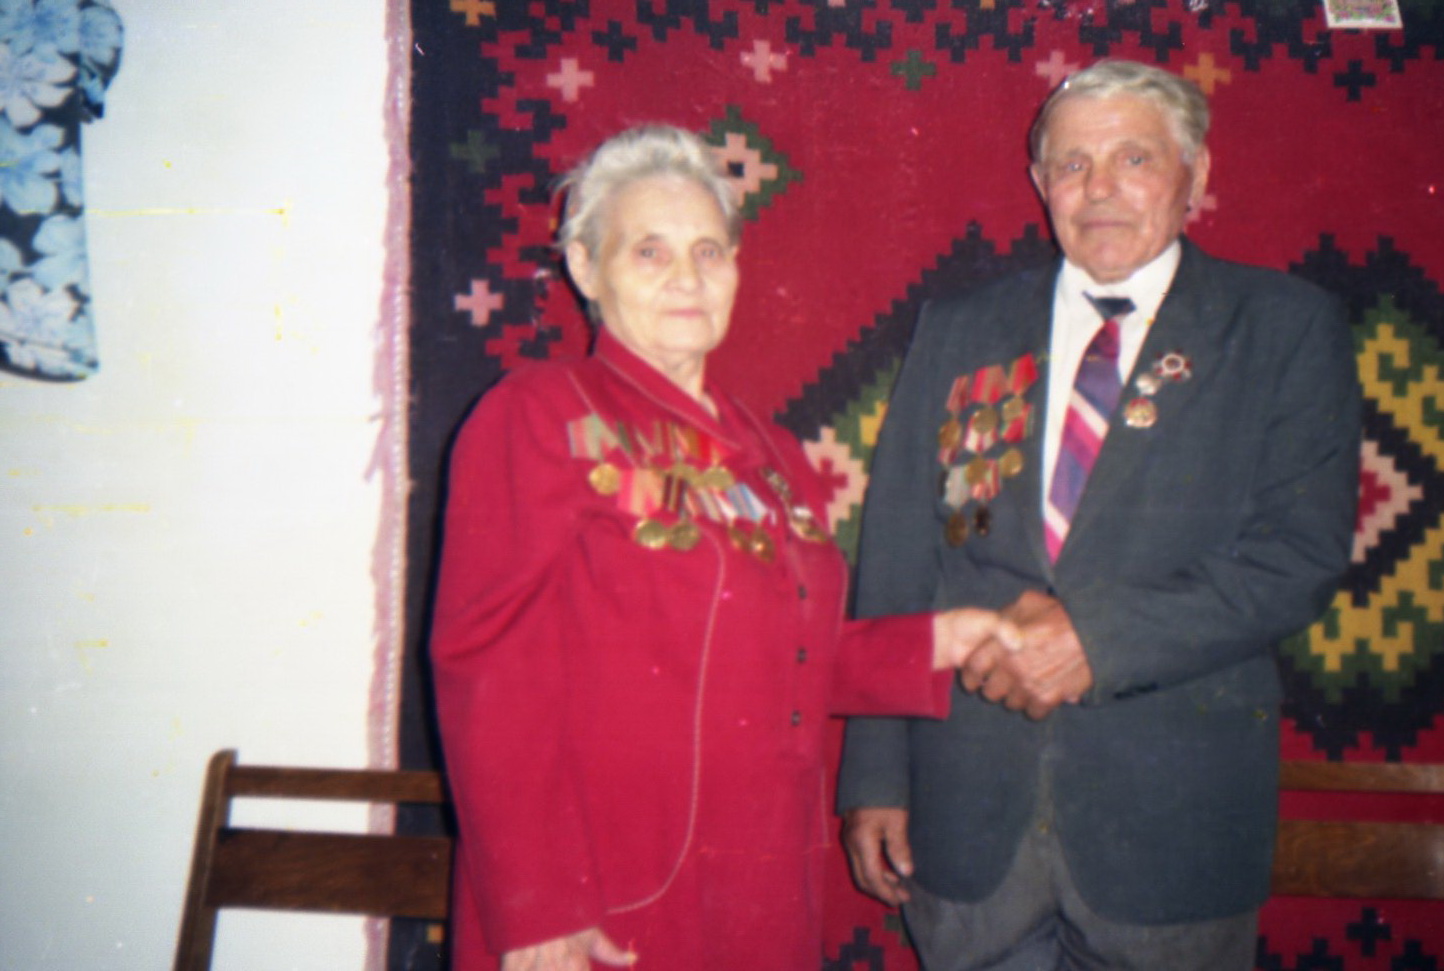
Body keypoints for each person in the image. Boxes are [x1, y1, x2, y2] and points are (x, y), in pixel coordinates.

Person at [430, 125, 1013, 971]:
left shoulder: (771, 455)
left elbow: (785, 658)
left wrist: (937, 642)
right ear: (585, 268)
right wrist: (538, 906)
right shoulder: (538, 415)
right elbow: (485, 668)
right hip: (607, 891)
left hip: (761, 882)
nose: (687, 277)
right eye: (650, 251)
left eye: (708, 251)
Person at [838, 60, 1362, 969]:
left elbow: (1297, 557)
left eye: (1134, 158)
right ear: (1039, 183)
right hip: (964, 819)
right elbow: (894, 558)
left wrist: (1095, 638)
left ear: (1195, 174)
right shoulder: (957, 328)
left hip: (1172, 825)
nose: (1101, 189)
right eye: (1073, 165)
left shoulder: (1283, 327)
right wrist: (875, 773)